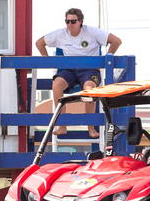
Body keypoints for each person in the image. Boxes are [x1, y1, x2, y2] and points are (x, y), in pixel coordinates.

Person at [35, 8, 122, 137]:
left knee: (89, 89)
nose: (70, 24)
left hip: (89, 70)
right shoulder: (60, 34)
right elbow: (39, 43)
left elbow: (116, 41)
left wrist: (106, 58)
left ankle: (91, 127)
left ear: (80, 21)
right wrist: (50, 61)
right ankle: (62, 126)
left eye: (73, 21)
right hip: (68, 70)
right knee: (56, 85)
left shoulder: (92, 32)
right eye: (67, 21)